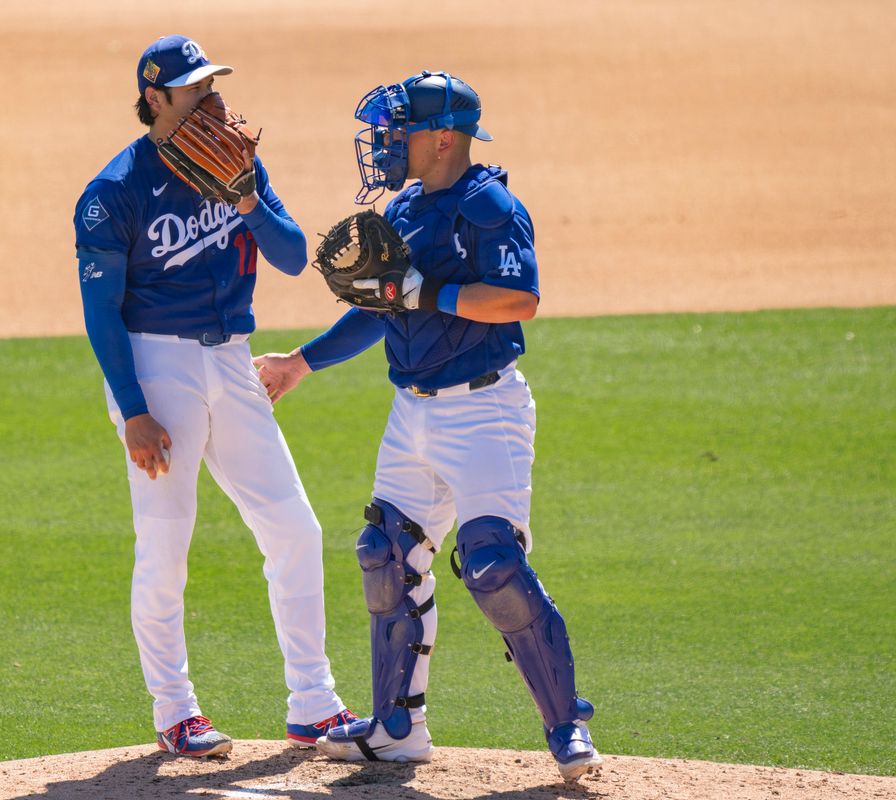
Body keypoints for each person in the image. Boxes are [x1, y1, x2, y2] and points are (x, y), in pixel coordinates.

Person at [252, 71, 602, 781]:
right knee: (385, 555)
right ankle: (396, 729)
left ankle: (567, 728)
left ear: (442, 138)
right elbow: (381, 305)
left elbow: (518, 300)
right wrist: (302, 363)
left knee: (492, 564)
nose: (384, 141)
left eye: (399, 127)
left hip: (484, 412)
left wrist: (428, 291)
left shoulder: (490, 207)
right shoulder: (407, 206)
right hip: (409, 410)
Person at [73, 34, 354, 759]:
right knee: (166, 543)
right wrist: (133, 408)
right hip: (155, 366)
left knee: (294, 528)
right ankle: (175, 710)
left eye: (210, 84)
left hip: (231, 363)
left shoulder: (237, 163)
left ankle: (314, 705)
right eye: (193, 87)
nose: (210, 98)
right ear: (156, 98)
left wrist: (248, 197)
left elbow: (294, 257)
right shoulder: (113, 193)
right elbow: (101, 313)